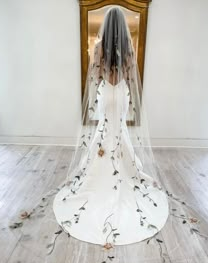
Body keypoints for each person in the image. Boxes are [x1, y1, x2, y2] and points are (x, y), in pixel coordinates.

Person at [52, 6, 169, 246]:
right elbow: (131, 76)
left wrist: (103, 80)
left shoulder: (98, 48)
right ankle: (126, 169)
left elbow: (94, 77)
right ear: (123, 25)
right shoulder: (128, 49)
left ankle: (98, 171)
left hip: (107, 94)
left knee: (103, 131)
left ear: (106, 25)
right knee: (120, 131)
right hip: (121, 94)